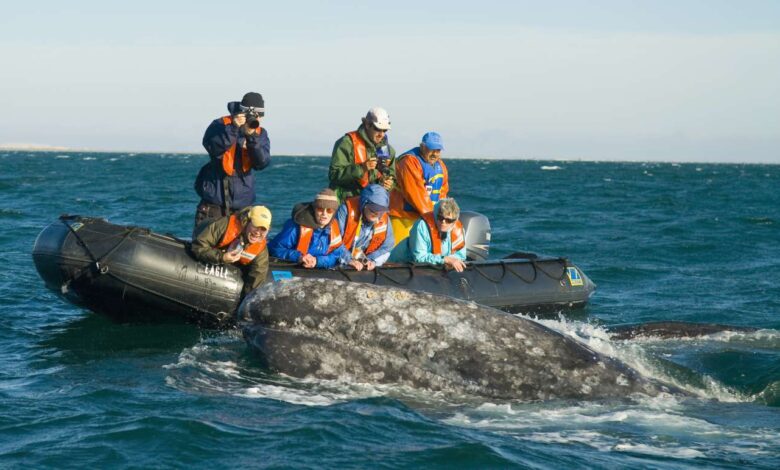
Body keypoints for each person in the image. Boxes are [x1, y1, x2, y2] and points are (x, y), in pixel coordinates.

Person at [193, 91, 271, 231]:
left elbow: (262, 162)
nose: (256, 119)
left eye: (259, 116)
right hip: (214, 202)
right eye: (253, 115)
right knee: (202, 245)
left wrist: (252, 137)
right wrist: (233, 129)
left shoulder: (260, 134)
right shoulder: (220, 125)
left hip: (241, 207)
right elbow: (213, 147)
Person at [191, 205, 272, 296]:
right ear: (247, 221)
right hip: (207, 240)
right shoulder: (225, 225)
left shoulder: (261, 249)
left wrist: (247, 302)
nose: (258, 232)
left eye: (263, 230)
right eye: (255, 226)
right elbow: (198, 246)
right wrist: (222, 257)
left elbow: (257, 278)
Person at [388, 131, 449, 246]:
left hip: (426, 219)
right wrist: (435, 220)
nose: (435, 154)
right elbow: (416, 194)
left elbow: (443, 191)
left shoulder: (441, 166)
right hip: (403, 218)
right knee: (398, 254)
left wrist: (442, 216)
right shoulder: (409, 162)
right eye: (431, 149)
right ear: (422, 146)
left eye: (438, 150)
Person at [268, 188, 349, 269]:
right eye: (320, 209)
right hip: (294, 268)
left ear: (334, 212)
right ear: (314, 209)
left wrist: (317, 261)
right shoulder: (296, 227)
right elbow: (275, 249)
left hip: (317, 269)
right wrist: (299, 257)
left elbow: (337, 254)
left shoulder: (333, 227)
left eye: (329, 210)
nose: (324, 214)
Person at [328, 107, 396, 202]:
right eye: (378, 129)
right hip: (346, 201)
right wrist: (362, 168)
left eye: (385, 130)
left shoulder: (389, 151)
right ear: (367, 124)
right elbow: (333, 175)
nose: (382, 134)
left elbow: (392, 177)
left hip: (371, 204)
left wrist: (388, 183)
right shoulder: (347, 143)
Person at [389, 198, 466, 272]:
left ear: (454, 221)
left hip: (432, 267)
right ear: (437, 215)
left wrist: (449, 260)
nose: (443, 222)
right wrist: (445, 259)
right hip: (400, 264)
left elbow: (461, 256)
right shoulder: (421, 225)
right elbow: (419, 257)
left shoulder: (458, 230)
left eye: (448, 220)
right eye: (440, 217)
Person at [336, 184, 395, 271]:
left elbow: (387, 246)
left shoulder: (383, 217)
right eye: (373, 209)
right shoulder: (345, 211)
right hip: (342, 259)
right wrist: (349, 259)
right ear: (364, 204)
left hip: (364, 260)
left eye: (381, 210)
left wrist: (371, 260)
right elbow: (334, 242)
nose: (377, 214)